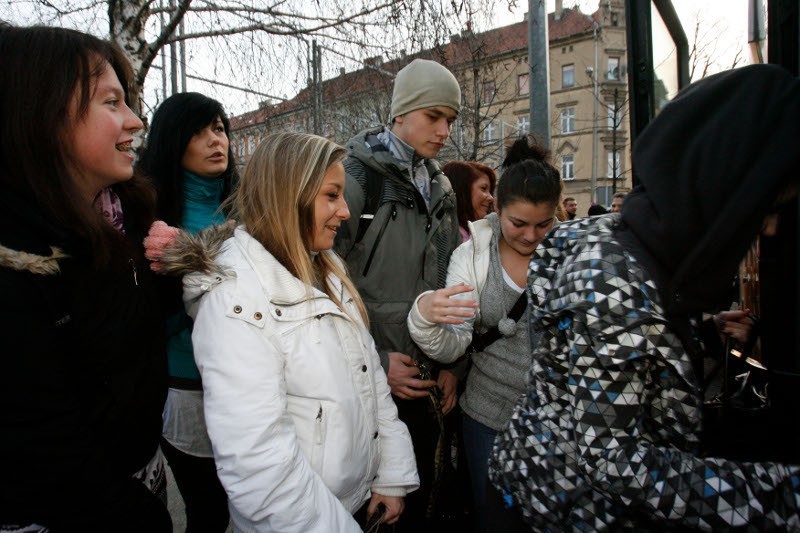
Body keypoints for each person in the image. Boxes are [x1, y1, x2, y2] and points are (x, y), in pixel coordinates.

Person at [490, 64, 800, 530]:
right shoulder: (616, 284)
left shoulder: (628, 236)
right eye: (767, 208)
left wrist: (693, 337)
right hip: (574, 510)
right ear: (721, 195)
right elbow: (613, 460)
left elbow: (630, 351)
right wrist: (780, 496)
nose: (771, 227)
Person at [163, 132, 418, 531]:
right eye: (332, 195)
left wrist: (390, 474)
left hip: (352, 502)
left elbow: (370, 382)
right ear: (289, 196)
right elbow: (259, 465)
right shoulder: (236, 299)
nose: (346, 211)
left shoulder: (327, 268)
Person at [0, 26, 169, 530]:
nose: (136, 121)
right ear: (40, 113)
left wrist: (184, 270)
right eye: (111, 102)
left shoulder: (123, 221)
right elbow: (44, 441)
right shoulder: (14, 262)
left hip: (141, 476)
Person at [333, 58, 463, 527]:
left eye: (450, 119)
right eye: (434, 116)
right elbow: (320, 281)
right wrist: (375, 363)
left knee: (420, 499)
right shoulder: (355, 177)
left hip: (425, 371)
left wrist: (452, 362)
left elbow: (451, 282)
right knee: (373, 507)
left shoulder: (443, 188)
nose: (444, 130)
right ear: (401, 113)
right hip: (370, 376)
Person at [408, 137, 560, 532]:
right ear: (498, 209)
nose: (530, 236)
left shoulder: (571, 251)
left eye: (543, 224)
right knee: (497, 521)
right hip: (488, 418)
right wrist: (424, 317)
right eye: (518, 224)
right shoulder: (472, 255)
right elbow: (454, 342)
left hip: (560, 424)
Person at [136, 92, 236, 532]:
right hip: (187, 385)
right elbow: (144, 317)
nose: (216, 141)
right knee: (210, 512)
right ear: (174, 141)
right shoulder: (147, 215)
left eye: (219, 128)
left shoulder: (248, 208)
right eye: (199, 132)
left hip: (247, 381)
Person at [442, 161, 497, 243]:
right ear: (462, 189)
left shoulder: (487, 234)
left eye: (490, 191)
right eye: (484, 188)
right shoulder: (444, 239)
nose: (491, 198)